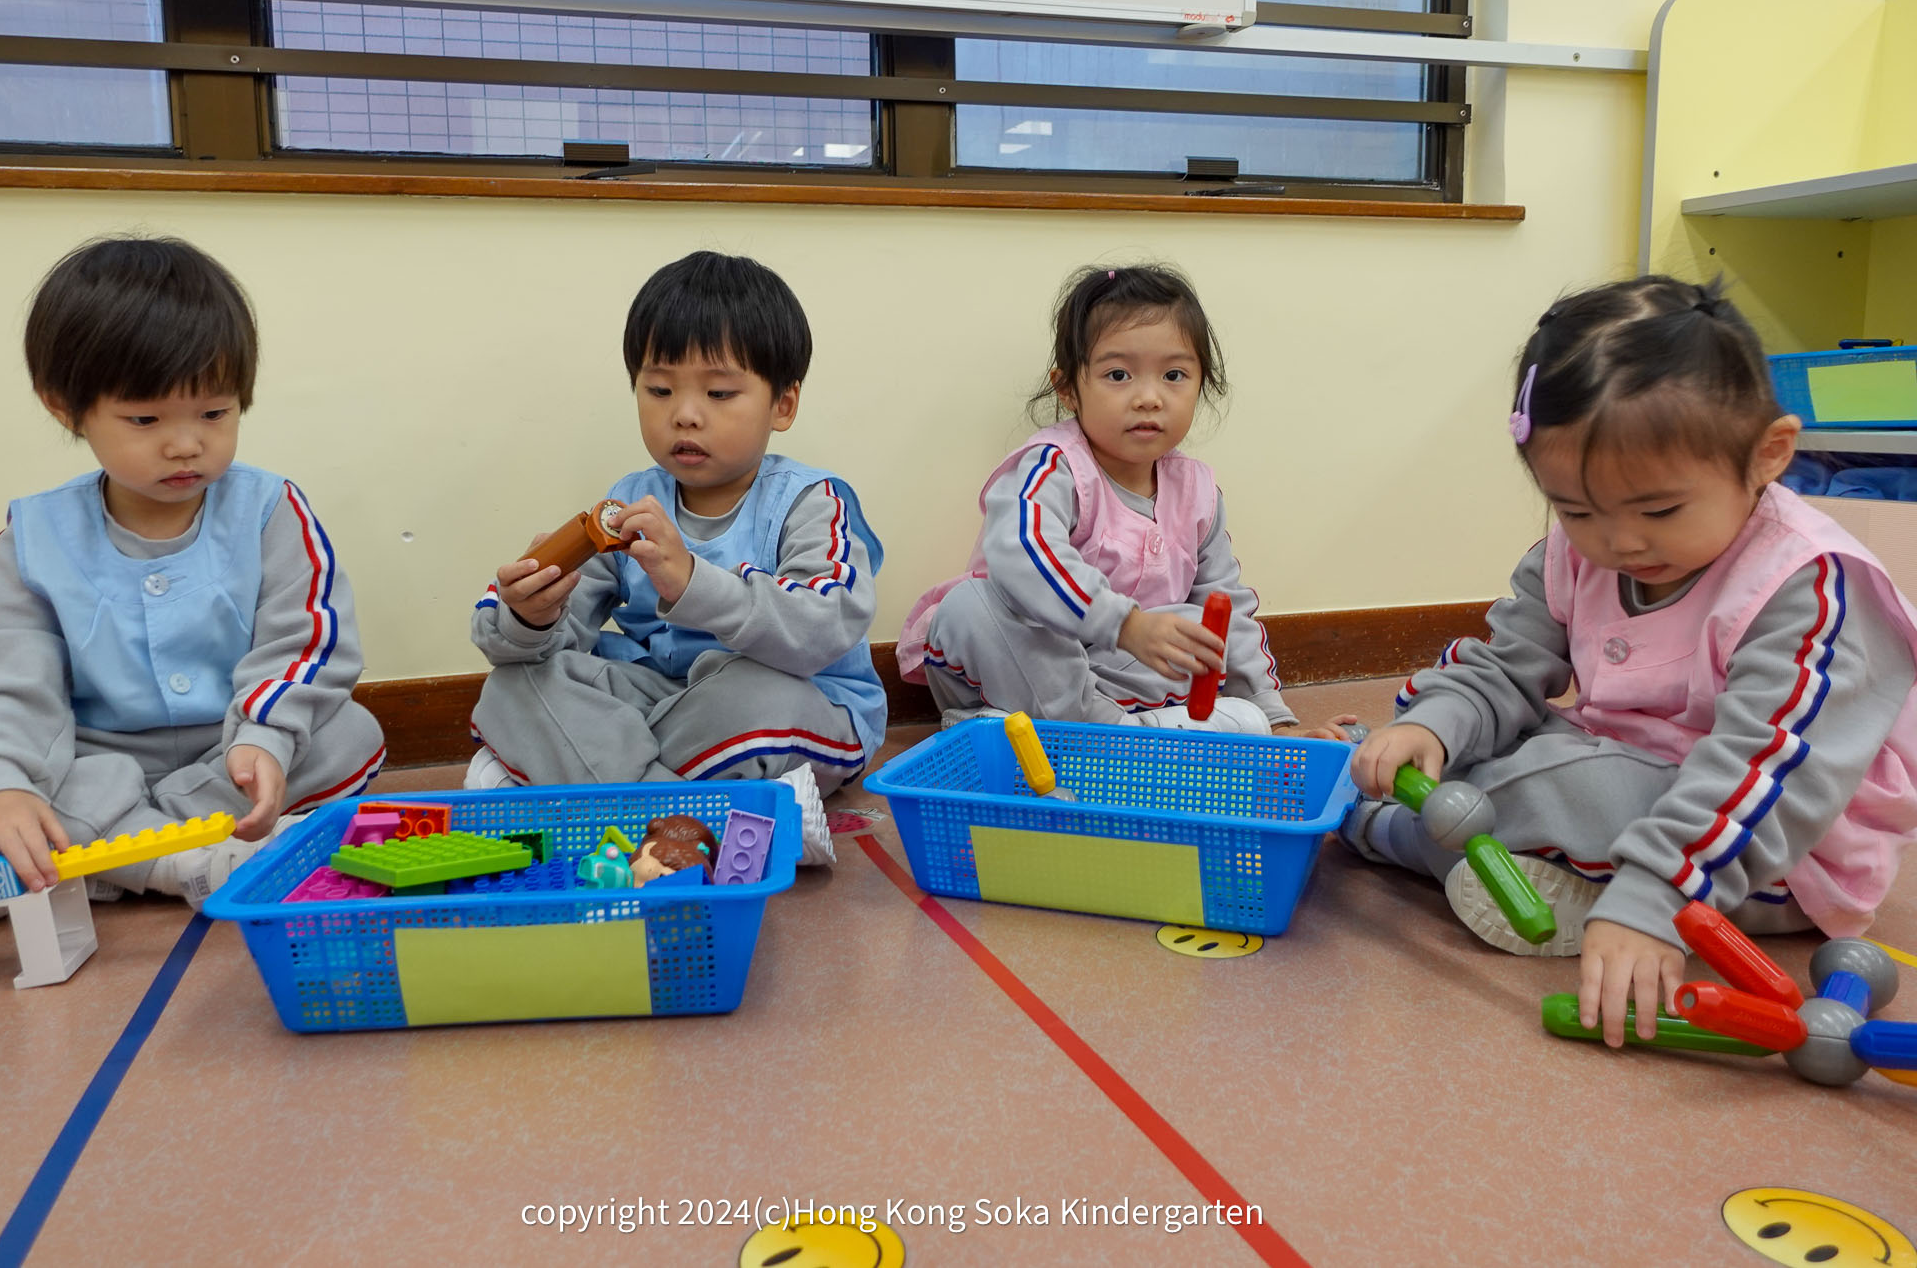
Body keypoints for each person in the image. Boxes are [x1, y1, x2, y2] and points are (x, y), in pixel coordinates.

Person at [1347, 275, 1917, 1044]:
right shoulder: (1579, 550)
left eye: (1659, 509)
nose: (1618, 541)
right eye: (1576, 509)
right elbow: (1507, 667)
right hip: (1632, 775)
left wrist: (1656, 895)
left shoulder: (1810, 586)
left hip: (1773, 853)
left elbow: (1764, 775)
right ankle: (1483, 837)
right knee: (1471, 730)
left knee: (1549, 781)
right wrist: (1437, 726)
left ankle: (1379, 824)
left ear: (1768, 455)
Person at [0, 237, 385, 910]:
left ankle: (88, 862)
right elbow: (5, 668)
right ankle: (183, 859)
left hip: (231, 747)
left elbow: (306, 640)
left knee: (346, 733)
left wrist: (264, 739)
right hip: (90, 757)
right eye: (145, 418)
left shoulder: (271, 507)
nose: (186, 443)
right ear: (63, 406)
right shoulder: (38, 532)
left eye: (214, 413)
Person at [467, 251, 884, 866]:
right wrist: (529, 617)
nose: (684, 413)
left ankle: (584, 791)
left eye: (719, 392)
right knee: (514, 684)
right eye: (659, 389)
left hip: (792, 699)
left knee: (751, 694)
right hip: (662, 704)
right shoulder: (629, 503)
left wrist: (690, 581)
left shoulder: (813, 501)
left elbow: (825, 628)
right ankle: (715, 824)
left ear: (783, 405)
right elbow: (550, 644)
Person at [897, 263, 1347, 738]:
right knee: (970, 605)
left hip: (1113, 681)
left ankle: (1113, 732)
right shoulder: (1052, 467)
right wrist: (1125, 624)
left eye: (1174, 375)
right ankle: (1099, 736)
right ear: (1068, 389)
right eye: (1118, 374)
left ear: (1201, 385)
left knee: (1199, 622)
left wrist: (1274, 720)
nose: (1149, 397)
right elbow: (1023, 555)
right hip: (1022, 663)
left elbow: (1227, 611)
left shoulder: (1197, 492)